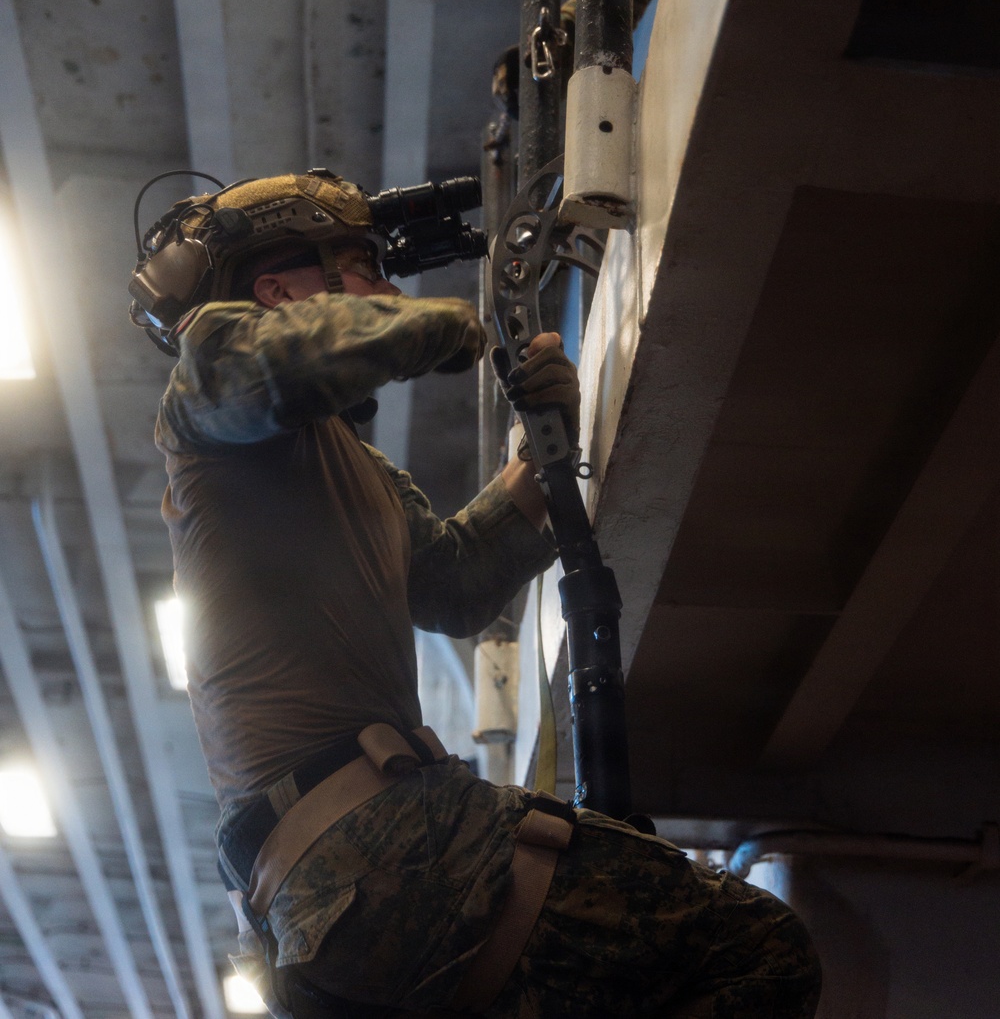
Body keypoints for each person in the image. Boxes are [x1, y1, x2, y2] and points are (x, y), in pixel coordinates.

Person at [135, 171, 821, 1016]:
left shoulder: (356, 470)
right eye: (360, 265)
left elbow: (454, 586)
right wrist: (433, 325)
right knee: (754, 949)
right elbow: (259, 361)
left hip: (333, 910)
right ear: (276, 290)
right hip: (377, 853)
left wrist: (539, 463)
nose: (385, 286)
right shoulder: (207, 398)